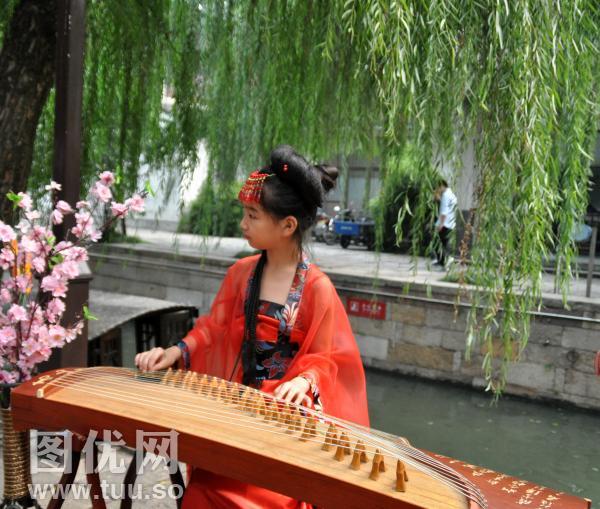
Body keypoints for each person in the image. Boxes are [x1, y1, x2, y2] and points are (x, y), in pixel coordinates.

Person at [135, 145, 369, 509]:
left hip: (282, 423)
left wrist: (302, 381)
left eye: (253, 215)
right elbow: (214, 330)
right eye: (244, 214)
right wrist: (176, 351)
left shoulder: (317, 288)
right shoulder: (241, 274)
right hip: (236, 414)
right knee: (202, 492)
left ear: (288, 225)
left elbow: (326, 359)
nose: (243, 224)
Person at [433, 179, 457, 268]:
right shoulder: (451, 194)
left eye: (437, 188)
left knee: (437, 241)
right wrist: (439, 200)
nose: (437, 190)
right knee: (444, 242)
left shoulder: (445, 196)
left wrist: (441, 224)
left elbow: (444, 212)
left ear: (442, 186)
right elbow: (448, 207)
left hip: (445, 223)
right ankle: (443, 260)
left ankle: (446, 259)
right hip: (450, 223)